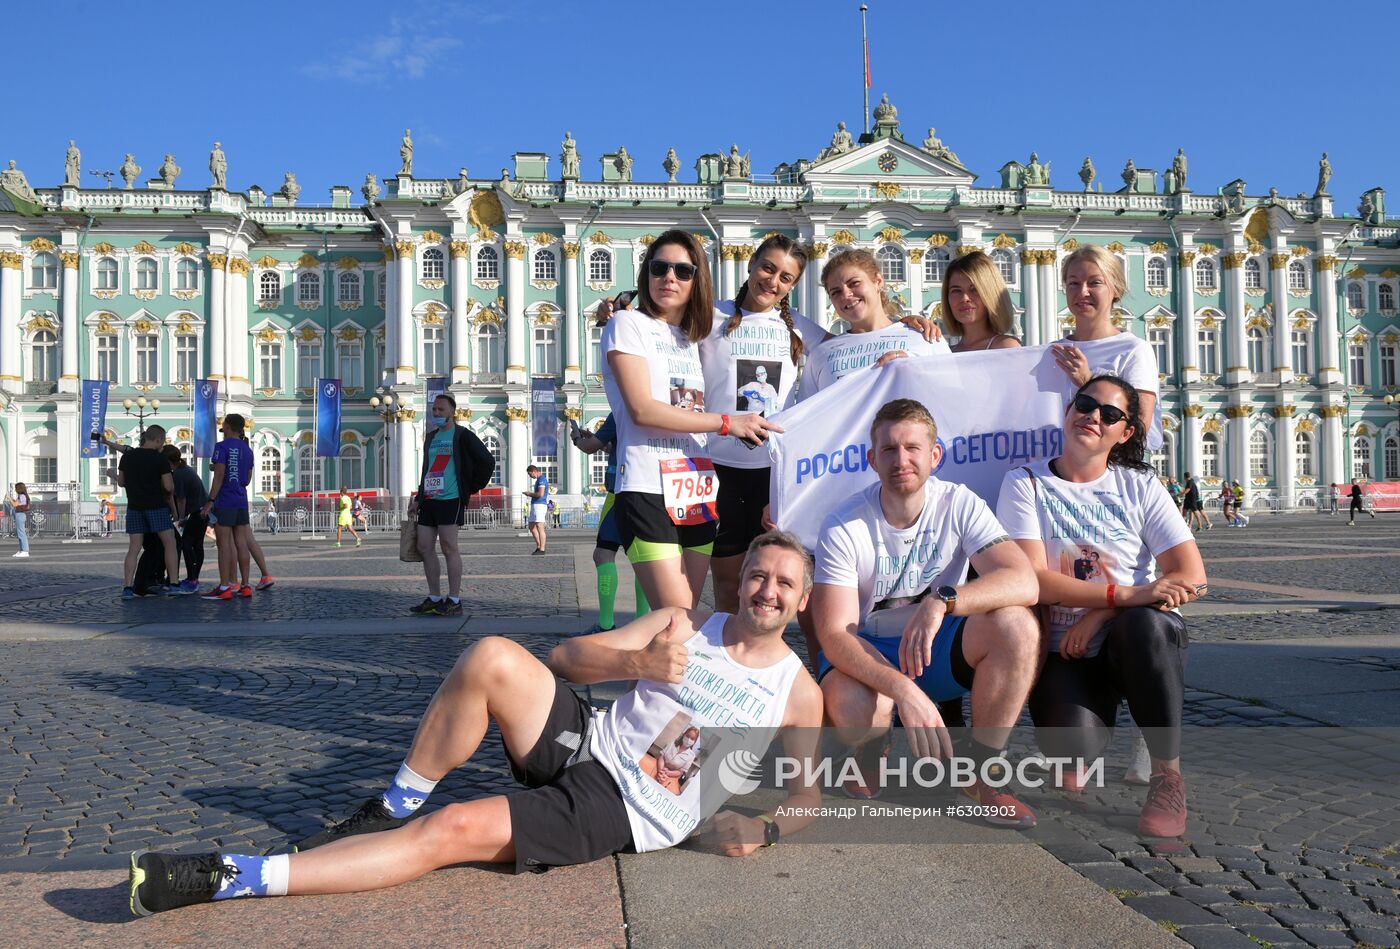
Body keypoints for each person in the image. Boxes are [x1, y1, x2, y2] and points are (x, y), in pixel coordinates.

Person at [127, 532, 824, 917]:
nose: (766, 590)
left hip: (620, 808)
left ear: (802, 599)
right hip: (585, 738)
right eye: (758, 575)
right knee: (493, 654)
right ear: (743, 580)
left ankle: (229, 875)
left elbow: (809, 794)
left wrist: (762, 828)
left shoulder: (798, 692)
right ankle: (390, 803)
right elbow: (564, 657)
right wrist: (637, 657)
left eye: (782, 583)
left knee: (449, 833)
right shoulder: (688, 621)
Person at [810, 399, 1041, 823]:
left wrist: (943, 600)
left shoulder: (959, 503)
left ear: (935, 456)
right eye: (889, 450)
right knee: (853, 711)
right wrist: (901, 690)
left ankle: (982, 771)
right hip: (867, 651)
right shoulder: (844, 523)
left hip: (934, 648)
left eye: (913, 448)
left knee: (1017, 627)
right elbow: (835, 634)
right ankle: (870, 745)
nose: (902, 460)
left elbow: (1023, 581)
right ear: (871, 459)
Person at [996, 375, 1207, 837]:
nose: (1094, 416)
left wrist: (1106, 611)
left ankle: (1167, 775)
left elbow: (1191, 575)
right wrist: (1126, 594)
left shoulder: (1139, 486)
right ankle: (1089, 725)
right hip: (1063, 648)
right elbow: (1034, 580)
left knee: (1147, 629)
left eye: (1110, 414)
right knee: (1072, 751)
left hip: (1130, 632)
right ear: (1069, 409)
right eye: (1086, 404)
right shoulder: (1025, 482)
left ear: (1125, 432)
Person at [603, 229, 776, 611]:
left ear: (697, 280)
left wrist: (900, 325)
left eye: (683, 271)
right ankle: (575, 660)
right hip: (647, 486)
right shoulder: (627, 325)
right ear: (645, 273)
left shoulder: (694, 337)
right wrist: (728, 423)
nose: (670, 277)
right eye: (660, 267)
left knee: (681, 620)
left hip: (695, 487)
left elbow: (762, 319)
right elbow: (642, 411)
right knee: (678, 619)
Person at [700, 234, 824, 614]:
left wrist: (905, 331)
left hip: (774, 476)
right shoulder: (711, 316)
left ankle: (763, 654)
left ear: (792, 286)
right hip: (718, 469)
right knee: (726, 582)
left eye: (786, 277)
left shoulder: (799, 328)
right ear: (751, 264)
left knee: (772, 582)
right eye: (768, 268)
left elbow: (852, 349)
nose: (773, 281)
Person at [797, 249, 951, 400]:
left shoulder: (925, 337)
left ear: (878, 281)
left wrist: (917, 370)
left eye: (854, 283)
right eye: (835, 292)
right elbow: (806, 416)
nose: (846, 295)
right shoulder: (821, 354)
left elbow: (953, 395)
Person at [1050, 245, 1160, 447]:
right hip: (1055, 471)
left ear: (1116, 289)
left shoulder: (1133, 350)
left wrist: (1087, 381)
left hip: (1109, 473)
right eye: (1073, 283)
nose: (1082, 292)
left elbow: (1139, 430)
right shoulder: (1053, 351)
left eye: (1095, 283)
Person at [409, 393, 495, 617]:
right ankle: (434, 597)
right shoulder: (430, 437)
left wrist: (470, 487)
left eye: (441, 410)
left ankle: (454, 599)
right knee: (424, 547)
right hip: (429, 499)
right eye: (434, 410)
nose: (436, 413)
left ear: (452, 412)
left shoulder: (463, 436)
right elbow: (427, 468)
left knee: (449, 547)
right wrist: (418, 497)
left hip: (451, 499)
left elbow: (487, 460)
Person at [571, 412, 651, 634]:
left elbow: (589, 448)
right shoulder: (651, 407)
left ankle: (606, 623)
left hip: (621, 492)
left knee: (603, 555)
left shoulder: (619, 412)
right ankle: (642, 624)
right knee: (643, 559)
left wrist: (578, 439)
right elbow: (617, 447)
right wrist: (603, 442)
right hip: (648, 492)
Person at [117, 427, 190, 598]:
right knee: (169, 543)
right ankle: (173, 583)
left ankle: (127, 587)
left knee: (134, 548)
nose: (162, 446)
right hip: (156, 506)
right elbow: (168, 487)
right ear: (158, 440)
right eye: (162, 442)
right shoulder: (160, 459)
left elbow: (121, 482)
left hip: (134, 507)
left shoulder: (127, 456)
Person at [199, 414, 256, 600]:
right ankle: (246, 585)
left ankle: (225, 587)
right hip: (241, 500)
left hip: (225, 500)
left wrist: (210, 500)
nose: (223, 432)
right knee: (241, 543)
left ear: (229, 427)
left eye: (224, 428)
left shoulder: (221, 447)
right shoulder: (248, 450)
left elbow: (220, 475)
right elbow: (247, 479)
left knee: (224, 545)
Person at [941, 251, 1021, 353]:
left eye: (974, 289)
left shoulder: (1005, 347)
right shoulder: (946, 352)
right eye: (956, 290)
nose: (965, 298)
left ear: (992, 293)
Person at [162, 446, 208, 593]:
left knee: (187, 545)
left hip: (196, 513)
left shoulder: (179, 474)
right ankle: (194, 578)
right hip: (203, 511)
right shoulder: (186, 469)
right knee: (197, 545)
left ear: (168, 461)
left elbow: (181, 500)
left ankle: (192, 579)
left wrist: (180, 518)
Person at [524, 465, 549, 554]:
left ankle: (542, 549)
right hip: (535, 505)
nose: (530, 476)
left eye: (530, 474)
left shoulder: (542, 479)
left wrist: (529, 494)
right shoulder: (538, 480)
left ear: (534, 471)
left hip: (540, 505)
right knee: (531, 527)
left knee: (540, 527)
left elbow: (540, 494)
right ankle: (539, 546)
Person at [9, 482, 31, 558]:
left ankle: (25, 551)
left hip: (20, 515)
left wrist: (9, 498)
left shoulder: (22, 496)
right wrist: (12, 499)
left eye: (16, 488)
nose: (15, 489)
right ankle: (22, 550)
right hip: (20, 515)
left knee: (21, 533)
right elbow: (16, 503)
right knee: (20, 533)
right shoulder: (22, 496)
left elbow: (15, 505)